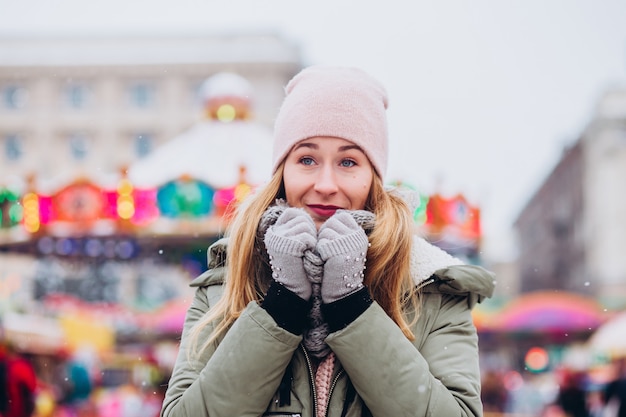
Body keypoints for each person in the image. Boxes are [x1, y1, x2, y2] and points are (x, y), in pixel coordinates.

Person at [160, 65, 496, 417]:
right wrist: (281, 307)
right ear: (283, 171)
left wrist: (352, 306)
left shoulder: (431, 290)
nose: (325, 183)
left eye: (348, 161)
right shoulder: (225, 286)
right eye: (306, 159)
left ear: (373, 177)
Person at [0, 341, 37, 417]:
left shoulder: (12, 366)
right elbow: (32, 387)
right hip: (17, 408)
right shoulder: (23, 366)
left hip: (14, 408)